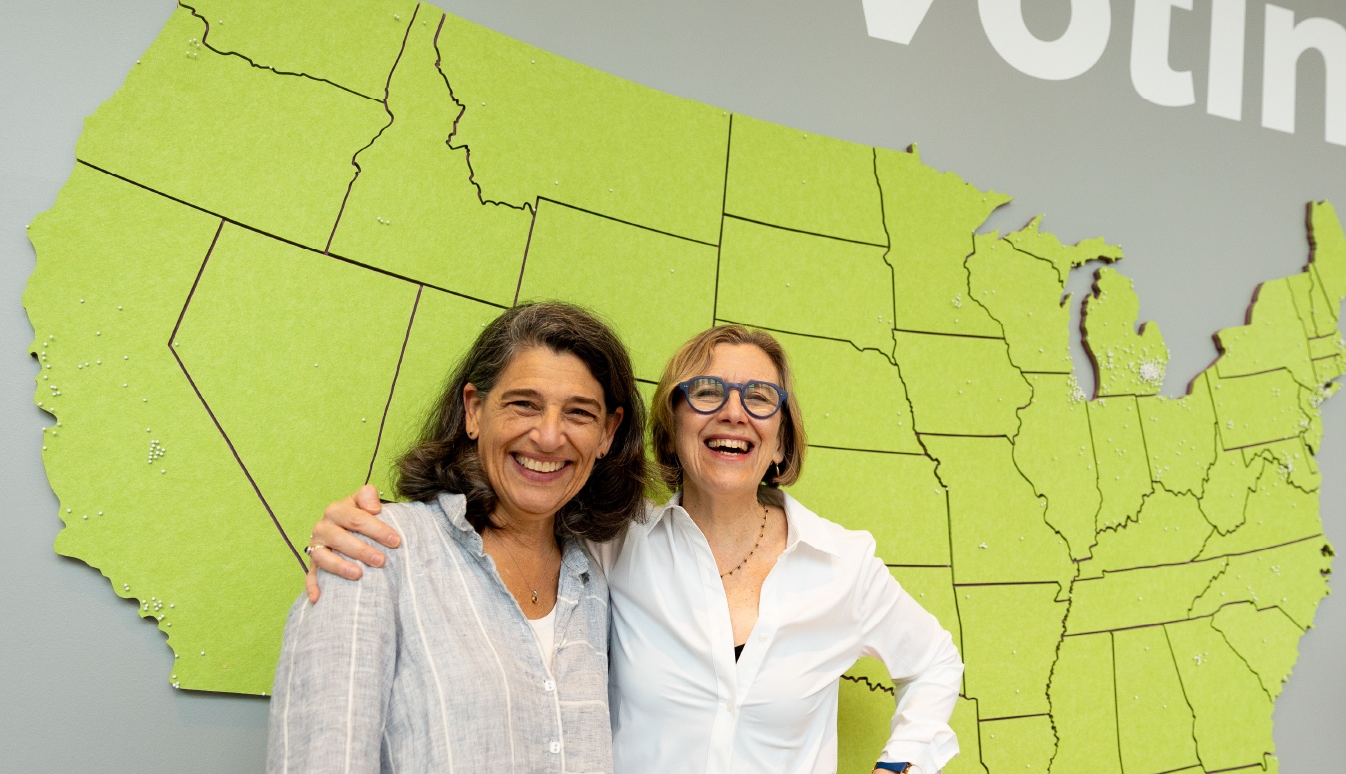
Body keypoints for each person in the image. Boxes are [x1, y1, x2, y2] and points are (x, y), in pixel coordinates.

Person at [308, 324, 964, 773]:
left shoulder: (843, 565)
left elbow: (935, 662)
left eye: (760, 398)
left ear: (784, 439)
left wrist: (899, 766)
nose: (734, 413)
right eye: (706, 393)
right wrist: (361, 525)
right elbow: (506, 517)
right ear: (670, 433)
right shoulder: (611, 544)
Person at [270, 301, 649, 773]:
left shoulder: (598, 584)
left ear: (607, 433)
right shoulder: (373, 551)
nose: (550, 437)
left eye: (579, 413)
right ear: (474, 410)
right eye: (523, 404)